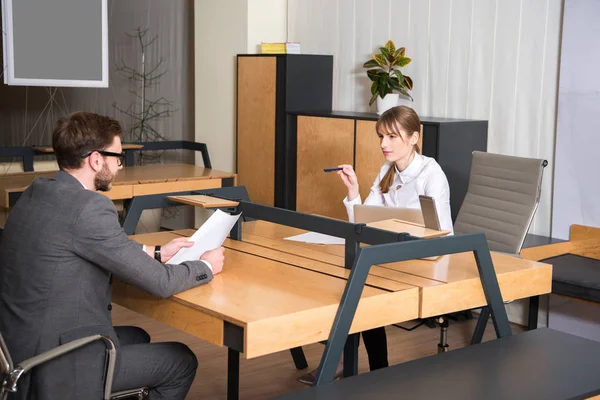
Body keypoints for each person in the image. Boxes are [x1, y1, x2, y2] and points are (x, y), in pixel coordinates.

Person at [0, 112, 225, 400]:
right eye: (118, 157)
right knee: (180, 361)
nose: (119, 167)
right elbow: (160, 283)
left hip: (18, 348)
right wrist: (205, 264)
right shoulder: (89, 207)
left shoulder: (38, 192)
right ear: (96, 160)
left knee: (138, 336)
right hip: (53, 364)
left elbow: (99, 245)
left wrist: (155, 251)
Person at [298, 105, 453, 384]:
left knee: (362, 289)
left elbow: (439, 235)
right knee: (357, 286)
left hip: (428, 261)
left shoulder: (432, 174)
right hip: (392, 255)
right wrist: (354, 191)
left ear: (413, 138)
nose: (383, 144)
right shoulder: (387, 170)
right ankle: (371, 369)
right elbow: (364, 222)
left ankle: (345, 363)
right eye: (381, 136)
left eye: (392, 137)